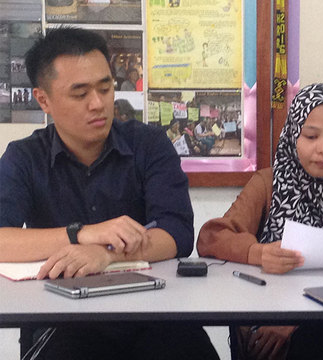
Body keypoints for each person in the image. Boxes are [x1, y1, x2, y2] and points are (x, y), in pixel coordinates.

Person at [0, 27, 219, 360]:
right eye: (79, 93)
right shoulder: (24, 157)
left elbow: (177, 233)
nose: (98, 104)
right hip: (63, 320)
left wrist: (108, 255)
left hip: (154, 313)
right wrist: (81, 236)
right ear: (43, 99)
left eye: (105, 88)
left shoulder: (149, 144)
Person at [198, 83, 323, 360]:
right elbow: (211, 237)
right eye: (311, 136)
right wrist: (258, 253)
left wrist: (296, 321)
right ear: (293, 135)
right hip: (270, 325)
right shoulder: (267, 187)